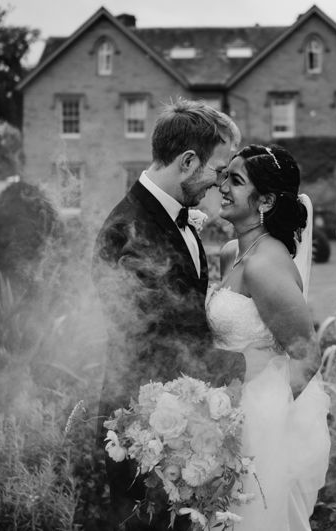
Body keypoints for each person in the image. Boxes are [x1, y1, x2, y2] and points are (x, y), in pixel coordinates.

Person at [92, 98, 246, 530]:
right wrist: (252, 368)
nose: (219, 184)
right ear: (188, 161)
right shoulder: (128, 232)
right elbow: (159, 340)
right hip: (146, 434)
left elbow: (187, 317)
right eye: (217, 171)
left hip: (183, 425)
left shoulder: (172, 218)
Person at [207, 143, 331, 530]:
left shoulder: (265, 265)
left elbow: (306, 357)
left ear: (266, 199)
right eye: (225, 176)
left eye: (236, 181)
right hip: (219, 413)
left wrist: (263, 425)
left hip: (253, 434)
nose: (223, 186)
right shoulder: (232, 253)